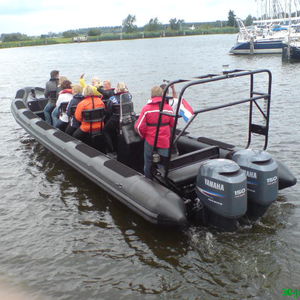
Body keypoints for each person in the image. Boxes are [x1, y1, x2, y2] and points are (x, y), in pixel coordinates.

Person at [135, 86, 175, 179]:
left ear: (152, 95)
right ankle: (164, 179)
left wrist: (143, 136)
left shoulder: (146, 109)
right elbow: (173, 124)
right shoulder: (168, 108)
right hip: (164, 140)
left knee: (148, 161)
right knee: (164, 161)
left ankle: (148, 178)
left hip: (150, 140)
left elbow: (138, 126)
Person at [103, 82, 132, 153]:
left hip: (116, 119)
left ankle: (112, 150)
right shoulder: (129, 96)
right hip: (127, 118)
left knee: (105, 131)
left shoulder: (112, 98)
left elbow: (109, 111)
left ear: (117, 89)